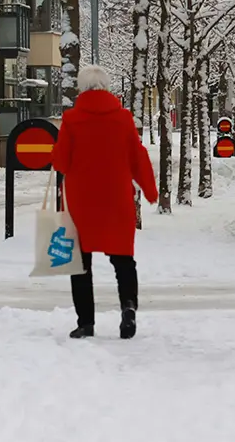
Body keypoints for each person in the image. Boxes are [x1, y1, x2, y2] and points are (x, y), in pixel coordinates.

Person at [52, 64, 158, 339]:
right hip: (116, 199)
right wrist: (150, 191)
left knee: (81, 265)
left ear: (81, 88)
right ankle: (129, 310)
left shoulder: (72, 119)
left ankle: (86, 323)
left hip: (81, 202)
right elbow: (138, 156)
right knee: (123, 260)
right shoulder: (123, 119)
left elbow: (61, 162)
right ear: (108, 87)